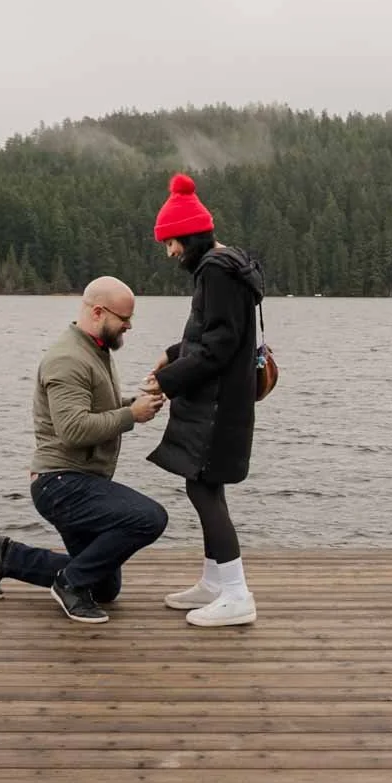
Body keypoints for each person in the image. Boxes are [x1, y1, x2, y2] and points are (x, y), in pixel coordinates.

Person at [0, 276, 169, 624]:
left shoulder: (95, 349)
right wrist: (131, 415)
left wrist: (135, 403)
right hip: (61, 484)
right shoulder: (68, 358)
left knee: (105, 587)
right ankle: (68, 584)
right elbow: (73, 430)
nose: (129, 326)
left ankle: (9, 557)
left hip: (77, 481)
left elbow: (94, 407)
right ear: (98, 312)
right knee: (150, 517)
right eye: (124, 318)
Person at [142, 173, 266, 627]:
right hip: (226, 400)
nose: (169, 252)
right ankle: (215, 582)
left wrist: (166, 381)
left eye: (171, 242)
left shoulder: (214, 271)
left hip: (216, 404)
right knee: (207, 484)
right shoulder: (226, 266)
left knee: (201, 486)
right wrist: (173, 353)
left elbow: (219, 347)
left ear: (189, 236)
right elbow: (217, 333)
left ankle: (236, 594)